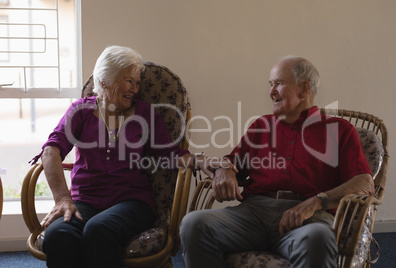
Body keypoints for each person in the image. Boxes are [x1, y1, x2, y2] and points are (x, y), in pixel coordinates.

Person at [30, 45, 232, 268]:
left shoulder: (144, 113)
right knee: (59, 235)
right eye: (129, 81)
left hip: (132, 202)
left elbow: (169, 152)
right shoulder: (80, 112)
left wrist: (199, 160)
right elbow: (51, 150)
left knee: (99, 229)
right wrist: (62, 198)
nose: (135, 89)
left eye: (137, 83)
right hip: (85, 201)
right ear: (105, 79)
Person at [179, 56, 375, 268]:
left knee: (318, 237)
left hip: (308, 218)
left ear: (303, 89)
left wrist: (316, 202)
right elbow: (231, 162)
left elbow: (364, 182)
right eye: (270, 84)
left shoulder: (338, 130)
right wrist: (223, 169)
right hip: (252, 214)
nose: (271, 91)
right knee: (193, 224)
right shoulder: (261, 126)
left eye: (279, 84)